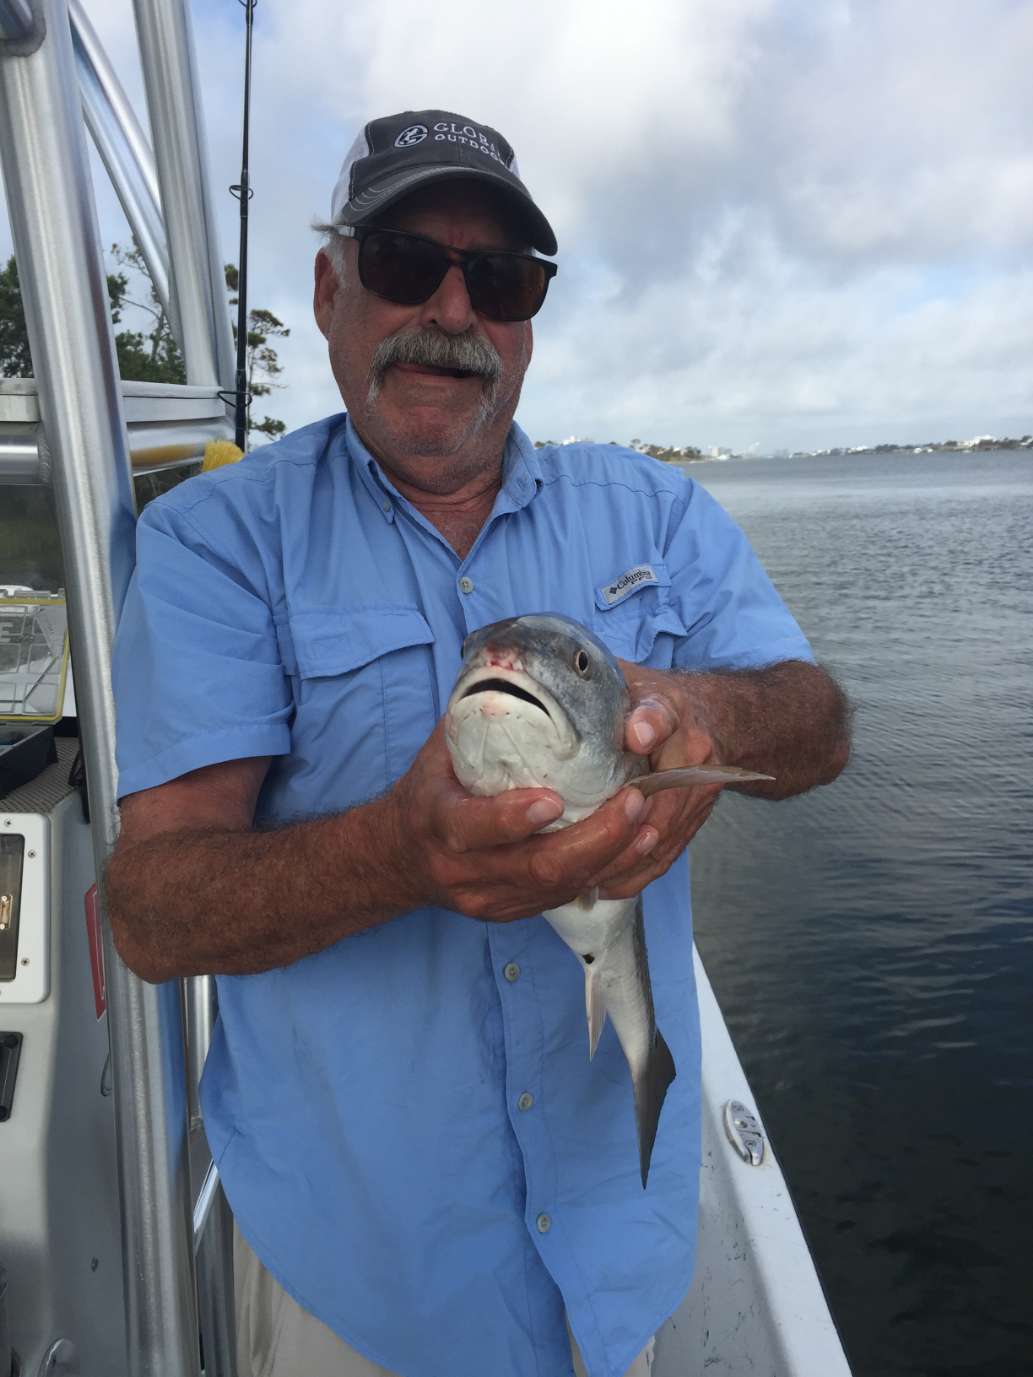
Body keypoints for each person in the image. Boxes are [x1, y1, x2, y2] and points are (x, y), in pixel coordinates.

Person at [106, 109, 850, 1377]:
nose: (452, 309)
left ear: (527, 317)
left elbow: (819, 722)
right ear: (332, 288)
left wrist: (715, 716)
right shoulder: (215, 544)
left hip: (622, 1246)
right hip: (368, 1287)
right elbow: (151, 913)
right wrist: (398, 857)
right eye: (405, 260)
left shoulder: (657, 509)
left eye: (499, 278)